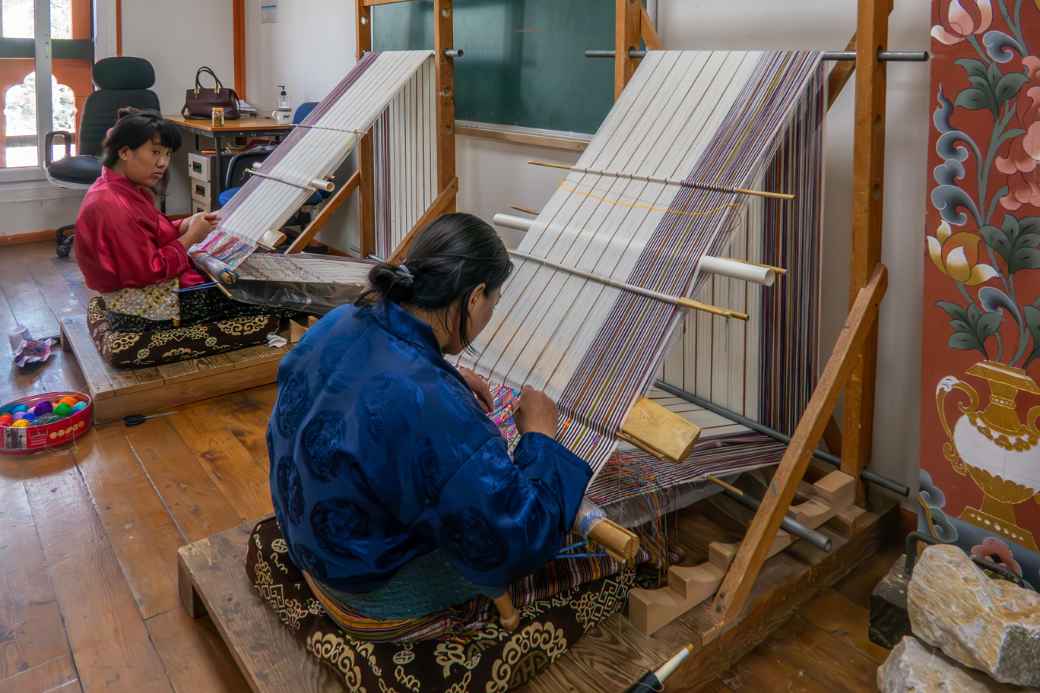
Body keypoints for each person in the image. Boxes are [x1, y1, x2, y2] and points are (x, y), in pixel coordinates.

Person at [267, 213, 593, 629]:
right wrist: (541, 437)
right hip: (364, 582)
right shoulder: (435, 404)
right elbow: (515, 537)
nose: (491, 312)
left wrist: (439, 369)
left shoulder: (340, 320)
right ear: (475, 297)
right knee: (535, 547)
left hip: (308, 537)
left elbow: (369, 386)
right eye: (494, 302)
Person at [74, 109, 269, 331]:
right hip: (144, 306)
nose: (163, 163)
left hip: (143, 291)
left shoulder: (119, 188)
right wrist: (192, 236)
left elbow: (149, 233)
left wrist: (185, 224)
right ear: (125, 152)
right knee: (266, 296)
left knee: (250, 280)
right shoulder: (112, 204)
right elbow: (151, 271)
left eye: (167, 154)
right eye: (155, 152)